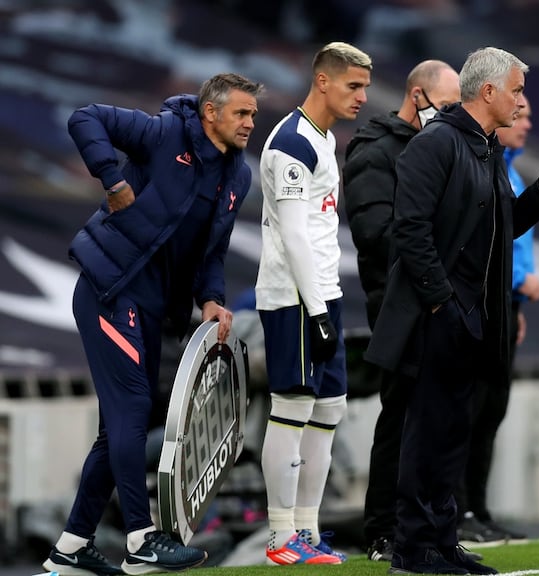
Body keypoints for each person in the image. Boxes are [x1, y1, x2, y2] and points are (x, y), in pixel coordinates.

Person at [364, 46, 539, 575]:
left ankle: (442, 539)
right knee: (425, 433)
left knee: (452, 435)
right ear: (487, 92)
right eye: (515, 90)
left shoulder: (483, 148)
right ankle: (413, 548)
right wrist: (442, 301)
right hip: (437, 316)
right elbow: (410, 230)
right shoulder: (436, 142)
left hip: (474, 317)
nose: (520, 101)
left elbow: (502, 223)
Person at [44, 72, 263, 576]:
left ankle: (72, 549)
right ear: (211, 112)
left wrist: (210, 298)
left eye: (253, 114)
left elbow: (214, 252)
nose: (251, 123)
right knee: (135, 410)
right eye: (242, 113)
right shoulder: (164, 133)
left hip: (152, 307)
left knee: (119, 426)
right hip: (110, 291)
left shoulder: (238, 176)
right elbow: (85, 118)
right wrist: (113, 180)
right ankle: (143, 540)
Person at [255, 41, 372, 566]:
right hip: (294, 297)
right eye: (353, 86)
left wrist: (328, 302)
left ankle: (308, 529)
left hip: (325, 292)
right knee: (292, 410)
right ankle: (281, 537)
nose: (362, 97)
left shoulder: (323, 139)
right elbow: (296, 236)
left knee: (329, 410)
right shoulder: (292, 144)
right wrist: (318, 310)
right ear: (323, 81)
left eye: (365, 87)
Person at [341, 58, 463, 563]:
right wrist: (433, 252)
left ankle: (429, 524)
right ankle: (382, 529)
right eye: (449, 104)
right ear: (418, 96)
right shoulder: (375, 151)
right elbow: (375, 234)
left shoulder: (440, 146)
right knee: (401, 415)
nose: (454, 114)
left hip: (436, 297)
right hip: (395, 300)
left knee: (438, 417)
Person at [456, 94, 538, 544]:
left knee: (491, 412)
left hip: (506, 305)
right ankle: (460, 509)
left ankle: (478, 509)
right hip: (485, 302)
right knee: (470, 410)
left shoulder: (511, 169)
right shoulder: (483, 164)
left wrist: (517, 304)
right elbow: (490, 239)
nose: (524, 124)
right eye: (519, 115)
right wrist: (522, 280)